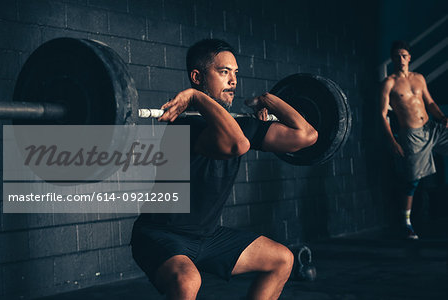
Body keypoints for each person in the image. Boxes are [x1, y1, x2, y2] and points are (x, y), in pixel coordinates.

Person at [130, 39, 318, 299]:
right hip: (160, 236)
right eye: (223, 72)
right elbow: (237, 144)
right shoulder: (186, 126)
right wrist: (195, 97)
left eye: (235, 73)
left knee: (282, 259)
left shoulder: (240, 124)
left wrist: (269, 100)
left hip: (206, 237)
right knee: (187, 281)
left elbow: (307, 135)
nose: (233, 80)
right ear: (197, 77)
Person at [380, 40, 448, 240]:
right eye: (397, 56)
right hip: (412, 135)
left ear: (409, 57)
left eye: (404, 55)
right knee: (412, 181)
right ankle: (406, 222)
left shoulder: (419, 78)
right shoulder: (389, 83)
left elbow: (431, 102)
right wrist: (393, 141)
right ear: (392, 59)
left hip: (432, 128)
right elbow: (382, 114)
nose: (401, 59)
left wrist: (442, 117)